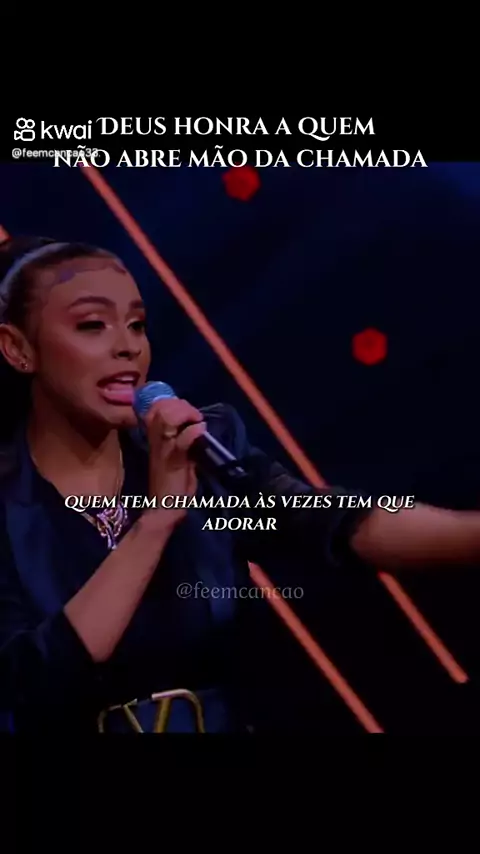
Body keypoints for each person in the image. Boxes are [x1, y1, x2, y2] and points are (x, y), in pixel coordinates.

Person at [1, 236, 480, 735]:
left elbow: (340, 524)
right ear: (18, 348)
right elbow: (29, 674)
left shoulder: (205, 447)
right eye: (92, 325)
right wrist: (158, 519)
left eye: (137, 324)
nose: (128, 346)